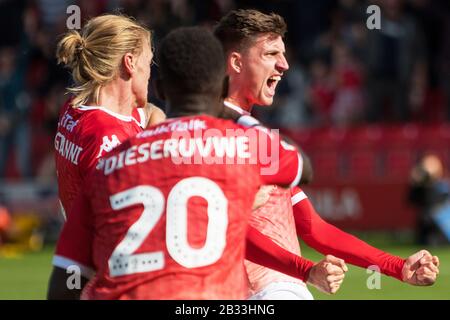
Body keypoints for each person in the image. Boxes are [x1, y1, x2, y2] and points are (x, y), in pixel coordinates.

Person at [47, 27, 347, 300]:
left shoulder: (99, 145)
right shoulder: (234, 147)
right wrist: (242, 121)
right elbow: (302, 166)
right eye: (147, 62)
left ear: (163, 91)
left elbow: (63, 280)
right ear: (219, 85)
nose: (149, 73)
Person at [214, 9, 439, 300]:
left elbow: (313, 228)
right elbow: (229, 229)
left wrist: (398, 267)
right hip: (265, 291)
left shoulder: (251, 135)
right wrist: (305, 270)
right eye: (270, 54)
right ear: (236, 62)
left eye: (282, 54)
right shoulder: (218, 135)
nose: (284, 65)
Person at [54, 14, 165, 218]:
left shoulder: (73, 107)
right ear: (130, 62)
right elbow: (123, 220)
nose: (150, 73)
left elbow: (150, 112)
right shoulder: (107, 138)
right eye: (149, 62)